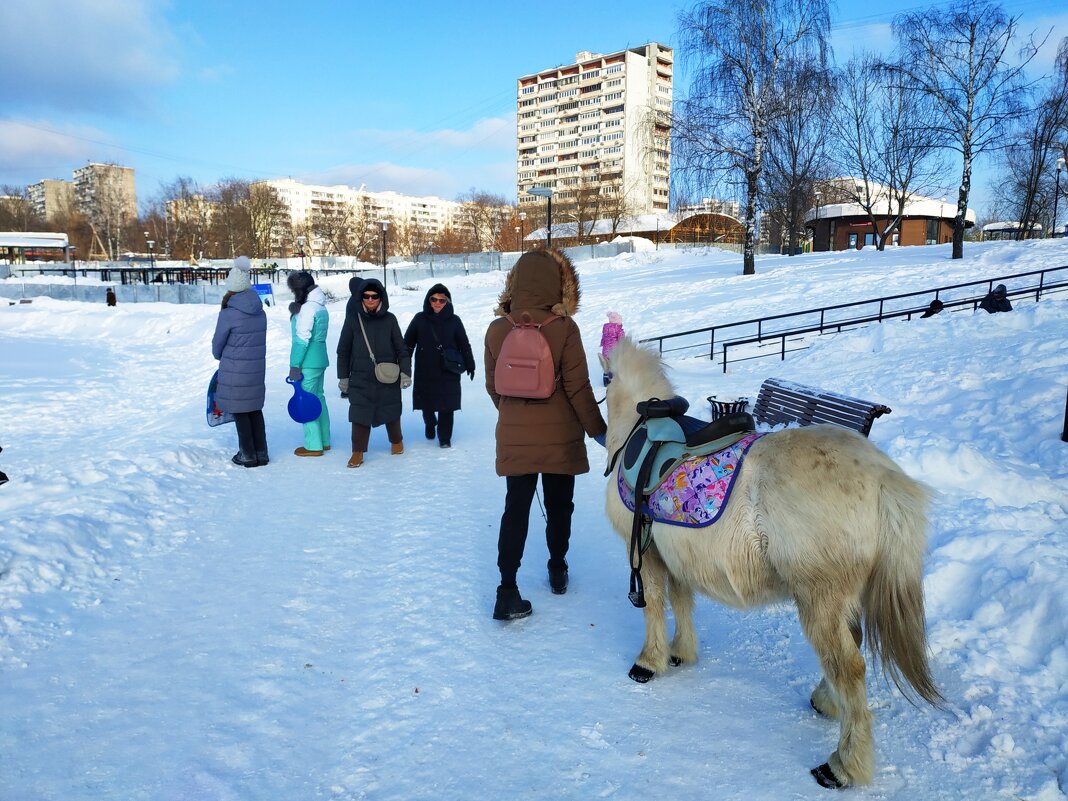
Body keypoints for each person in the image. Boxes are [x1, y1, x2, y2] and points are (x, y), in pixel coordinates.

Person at [484, 248, 607, 621]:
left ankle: (507, 590)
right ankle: (557, 568)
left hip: (514, 436)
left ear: (516, 281)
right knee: (559, 505)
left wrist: (514, 419)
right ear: (559, 283)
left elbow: (494, 388)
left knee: (515, 509)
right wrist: (599, 432)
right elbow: (578, 388)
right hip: (561, 436)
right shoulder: (564, 328)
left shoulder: (497, 328)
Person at [336, 277, 411, 468]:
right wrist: (343, 377)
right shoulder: (353, 319)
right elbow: (343, 349)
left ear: (381, 298)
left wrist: (405, 372)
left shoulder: (390, 319)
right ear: (361, 297)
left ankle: (396, 441)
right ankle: (357, 451)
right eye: (366, 296)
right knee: (359, 413)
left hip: (387, 375)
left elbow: (401, 349)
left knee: (391, 409)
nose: (370, 300)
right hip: (360, 376)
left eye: (374, 296)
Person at [402, 284, 476, 449]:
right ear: (429, 300)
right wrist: (403, 364)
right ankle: (430, 423)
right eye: (434, 299)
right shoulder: (419, 319)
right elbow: (407, 344)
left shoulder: (455, 321)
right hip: (425, 369)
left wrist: (470, 363)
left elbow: (464, 344)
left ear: (447, 302)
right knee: (426, 402)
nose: (437, 303)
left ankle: (444, 437)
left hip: (448, 369)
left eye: (442, 300)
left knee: (446, 404)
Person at [212, 256, 268, 467]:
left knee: (241, 410)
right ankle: (261, 453)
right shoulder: (259, 311)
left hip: (235, 369)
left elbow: (218, 343)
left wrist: (220, 356)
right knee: (254, 409)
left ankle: (247, 454)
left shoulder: (228, 313)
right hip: (255, 369)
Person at [287, 271, 330, 457]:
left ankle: (313, 445)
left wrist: (294, 365)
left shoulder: (308, 309)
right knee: (318, 398)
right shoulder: (320, 306)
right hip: (320, 359)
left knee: (306, 401)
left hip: (308, 362)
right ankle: (325, 440)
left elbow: (301, 340)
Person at [600, 310, 625, 385]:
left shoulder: (605, 327)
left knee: (607, 365)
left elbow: (603, 337)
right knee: (614, 365)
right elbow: (622, 340)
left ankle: (605, 379)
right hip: (614, 351)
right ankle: (612, 380)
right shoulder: (619, 329)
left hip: (605, 351)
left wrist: (602, 344)